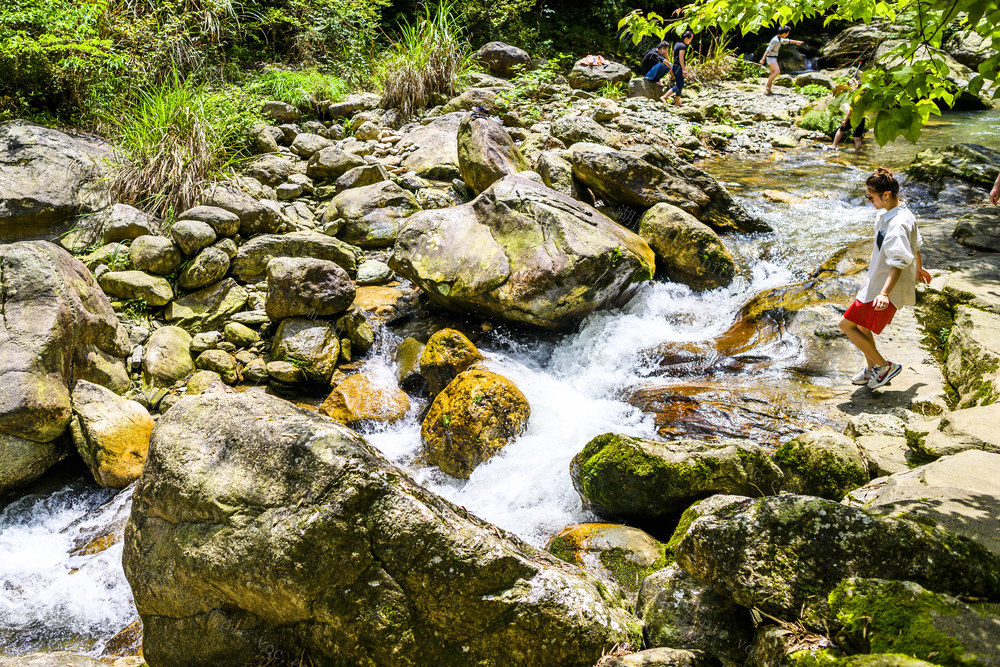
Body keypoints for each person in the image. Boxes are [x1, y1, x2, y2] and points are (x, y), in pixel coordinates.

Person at [839, 167, 932, 389]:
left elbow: (898, 261)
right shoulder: (900, 213)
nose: (868, 201)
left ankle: (884, 366)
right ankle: (872, 370)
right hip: (875, 281)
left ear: (886, 195)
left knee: (846, 325)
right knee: (862, 326)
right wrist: (919, 267)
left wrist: (884, 294)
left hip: (882, 286)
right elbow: (915, 244)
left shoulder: (897, 223)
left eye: (870, 197)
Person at [760, 25, 803, 94]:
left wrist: (796, 42)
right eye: (788, 33)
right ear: (784, 33)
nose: (788, 34)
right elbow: (767, 49)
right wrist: (763, 59)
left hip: (773, 58)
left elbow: (787, 41)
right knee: (777, 71)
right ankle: (767, 86)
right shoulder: (775, 40)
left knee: (772, 73)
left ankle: (768, 89)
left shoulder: (779, 39)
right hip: (771, 58)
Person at [660, 30, 694, 106]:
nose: (691, 41)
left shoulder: (677, 44)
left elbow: (673, 55)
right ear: (686, 38)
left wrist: (672, 68)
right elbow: (681, 58)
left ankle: (677, 102)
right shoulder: (683, 46)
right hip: (679, 67)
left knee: (680, 83)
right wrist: (683, 69)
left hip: (675, 66)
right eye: (690, 39)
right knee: (680, 85)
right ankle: (664, 97)